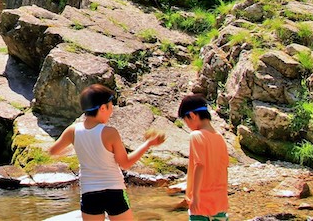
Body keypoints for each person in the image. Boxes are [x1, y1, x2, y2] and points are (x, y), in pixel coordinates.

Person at [48, 84, 166, 221]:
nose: (112, 111)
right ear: (103, 108)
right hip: (114, 191)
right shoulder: (110, 133)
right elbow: (125, 163)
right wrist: (148, 144)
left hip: (89, 193)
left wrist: (74, 149)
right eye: (111, 106)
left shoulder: (72, 131)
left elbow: (53, 151)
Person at [178, 94, 229, 221]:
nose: (188, 125)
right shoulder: (220, 138)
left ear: (193, 116)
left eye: (186, 120)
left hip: (201, 203)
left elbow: (199, 165)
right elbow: (224, 169)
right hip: (220, 202)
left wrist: (195, 196)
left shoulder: (196, 135)